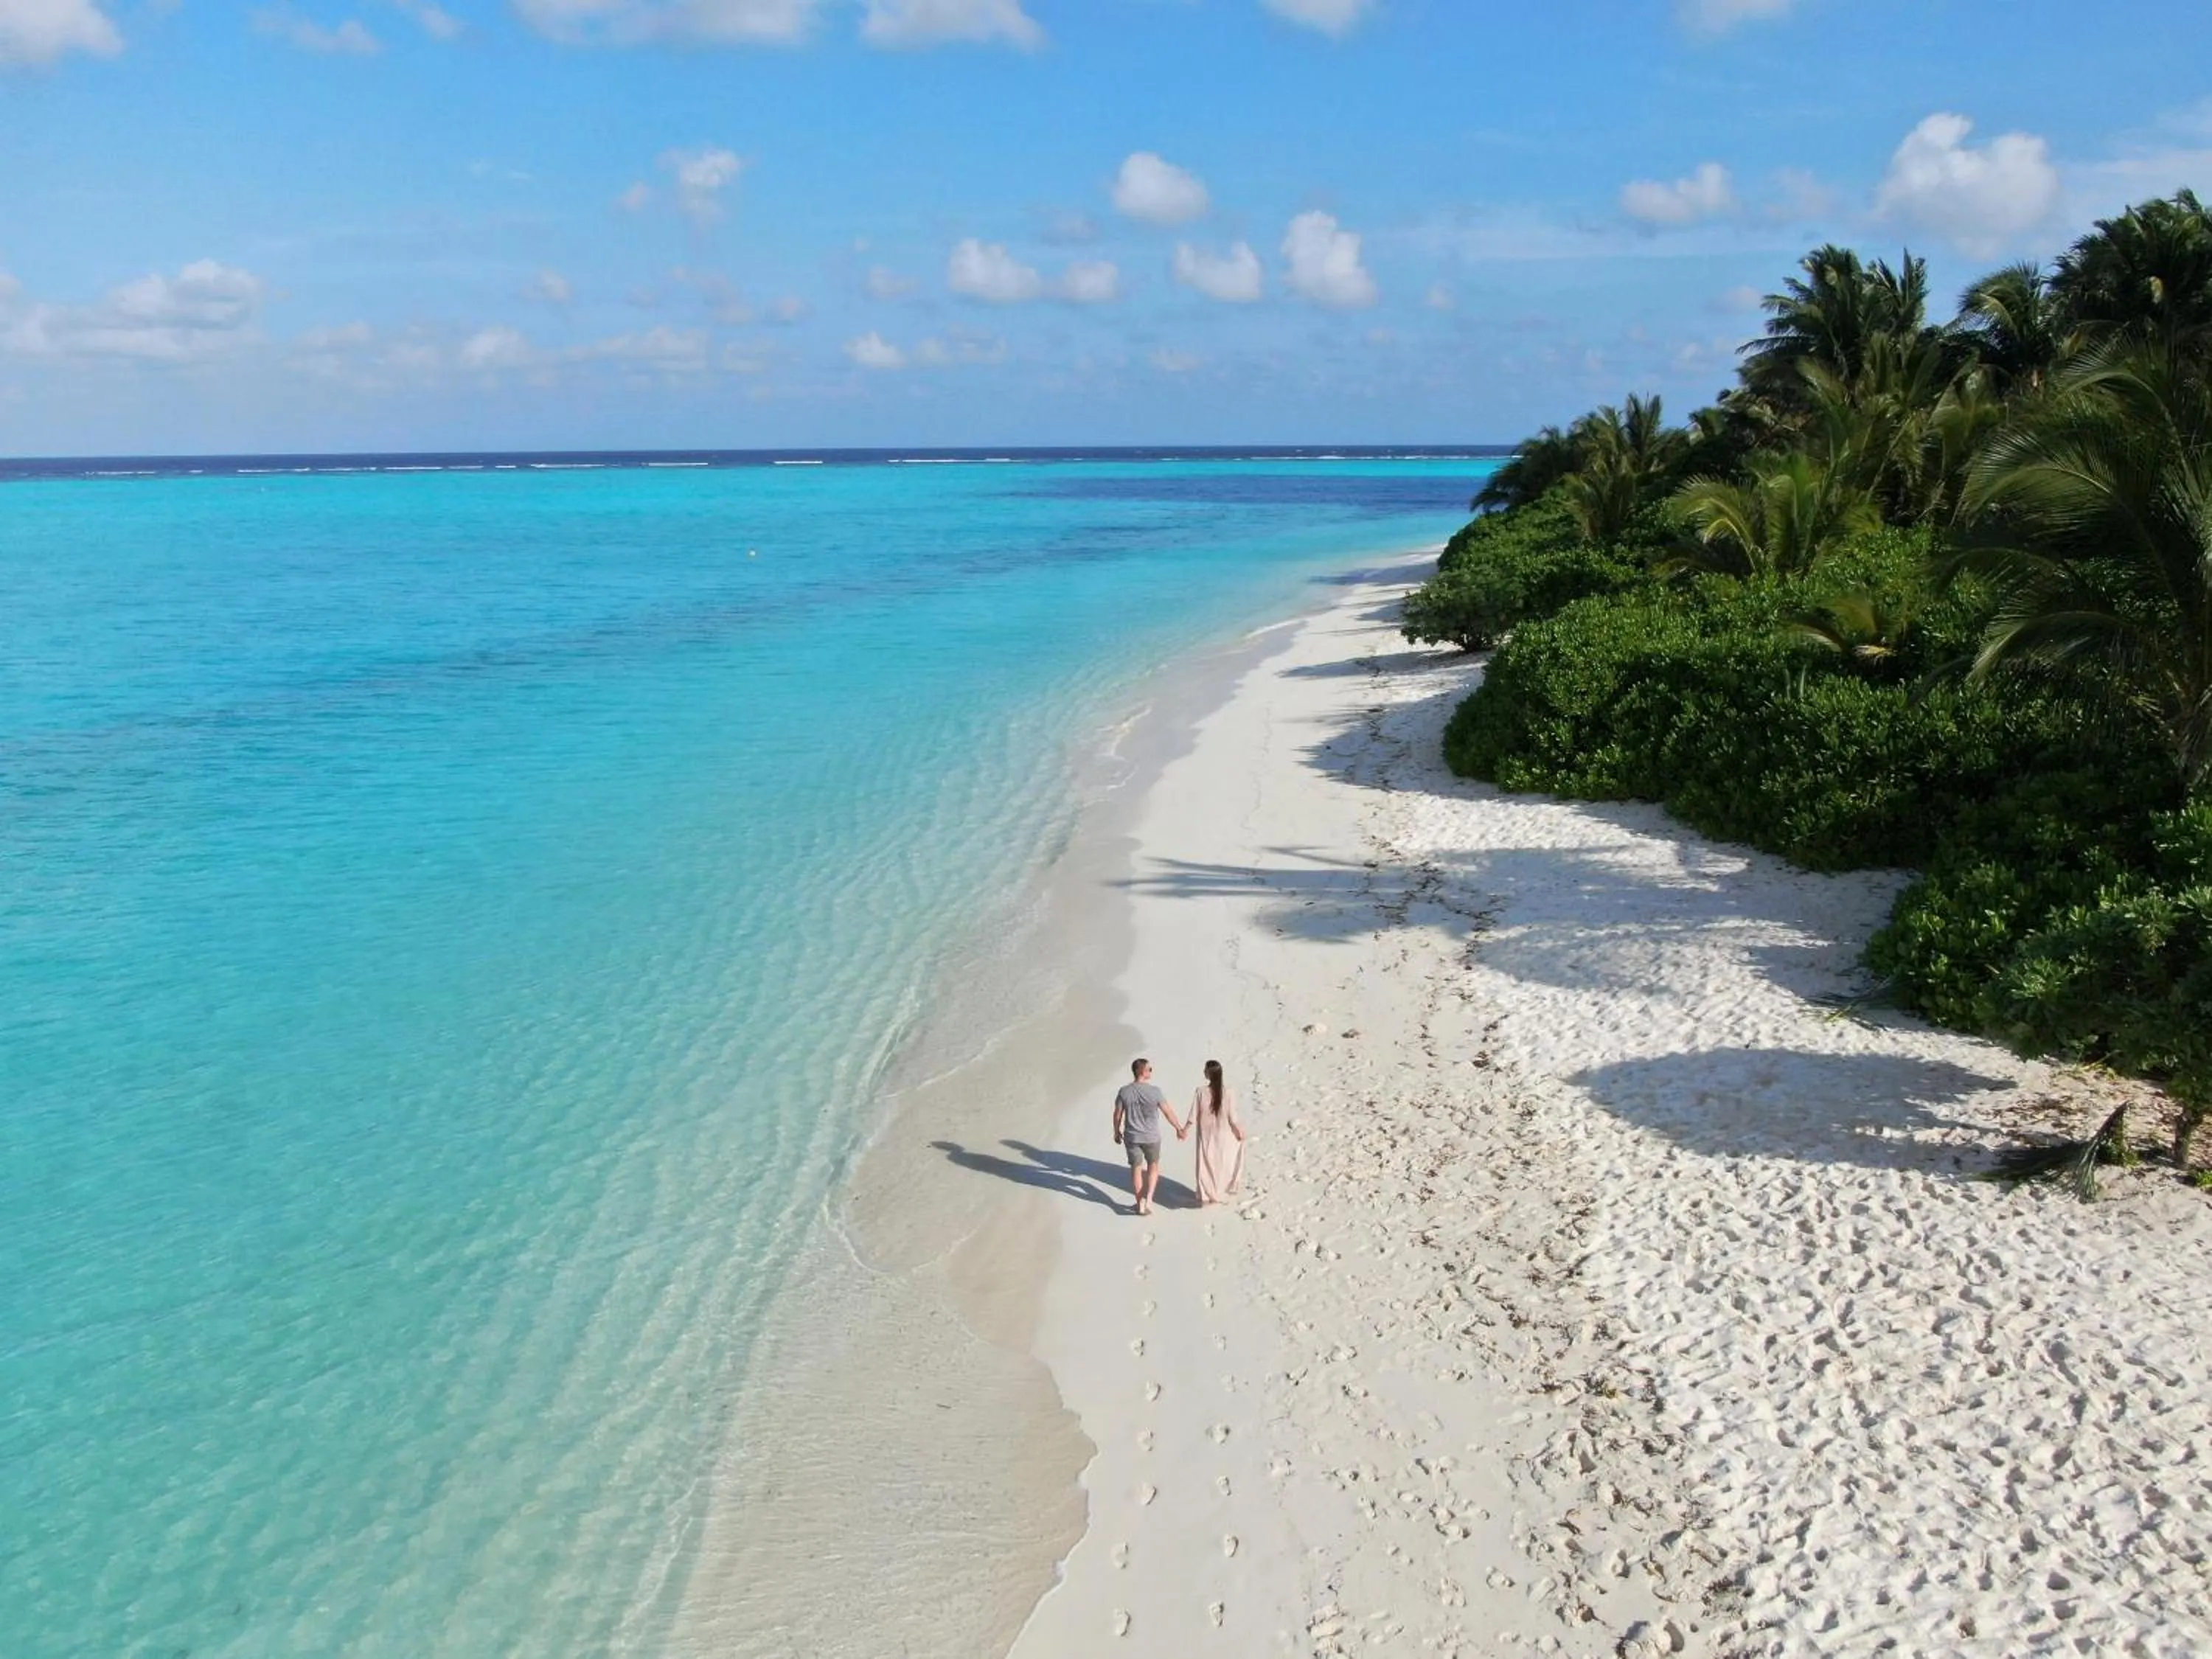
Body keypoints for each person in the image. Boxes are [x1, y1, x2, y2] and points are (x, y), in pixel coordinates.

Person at [1111, 1057, 1186, 1217]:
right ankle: (1149, 1199)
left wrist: (1116, 1132)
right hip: (1152, 1137)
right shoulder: (1155, 1091)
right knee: (1153, 1166)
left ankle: (1139, 1202)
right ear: (1142, 1072)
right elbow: (1168, 1112)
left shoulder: (1124, 1091)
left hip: (1132, 1137)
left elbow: (1117, 1115)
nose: (1151, 1071)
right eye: (1149, 1069)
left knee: (1136, 1169)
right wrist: (1179, 1128)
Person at [1190, 1059, 1246, 1206]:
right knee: (1222, 1162)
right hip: (1224, 1133)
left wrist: (1184, 1130)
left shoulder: (1200, 1091)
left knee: (1205, 1163)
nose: (1203, 1072)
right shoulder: (1229, 1092)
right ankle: (1219, 1191)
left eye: (1205, 1070)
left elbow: (1193, 1114)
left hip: (1206, 1134)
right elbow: (1233, 1117)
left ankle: (1207, 1194)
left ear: (1209, 1074)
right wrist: (1239, 1131)